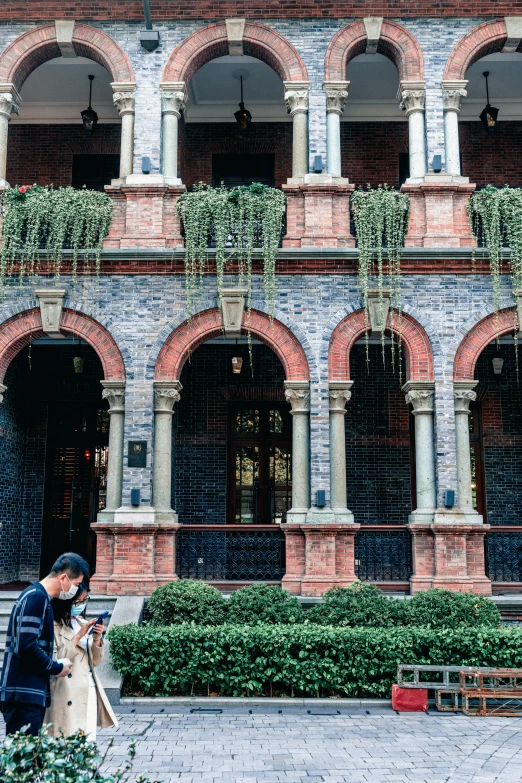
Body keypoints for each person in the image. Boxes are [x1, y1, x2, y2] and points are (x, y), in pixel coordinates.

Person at [0, 552, 89, 736]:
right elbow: (26, 645)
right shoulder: (37, 597)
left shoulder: (37, 597)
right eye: (76, 584)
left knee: (26, 759)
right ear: (63, 577)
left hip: (25, 694)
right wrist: (55, 667)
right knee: (24, 760)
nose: (76, 590)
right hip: (23, 695)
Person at [45, 582, 117, 740]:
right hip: (66, 692)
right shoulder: (52, 626)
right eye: (78, 601)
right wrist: (78, 636)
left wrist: (97, 638)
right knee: (67, 742)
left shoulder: (81, 622)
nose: (81, 605)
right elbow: (57, 661)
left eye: (85, 600)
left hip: (88, 687)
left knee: (87, 741)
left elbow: (95, 661)